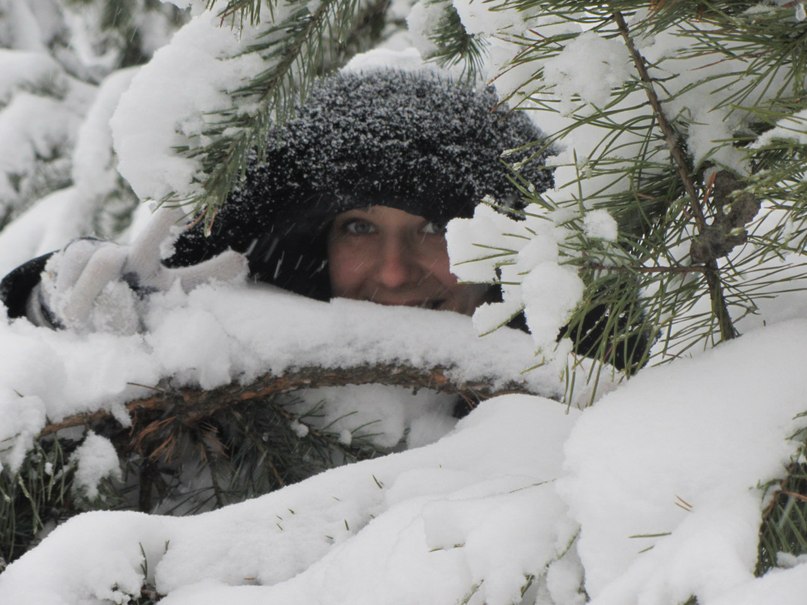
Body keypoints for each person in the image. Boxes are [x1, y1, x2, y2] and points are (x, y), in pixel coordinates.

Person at [0, 68, 553, 331]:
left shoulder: (586, 400)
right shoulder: (247, 382)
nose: (392, 273)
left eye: (433, 227)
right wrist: (54, 312)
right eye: (359, 227)